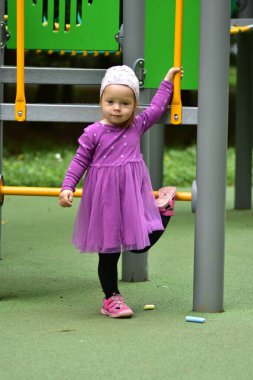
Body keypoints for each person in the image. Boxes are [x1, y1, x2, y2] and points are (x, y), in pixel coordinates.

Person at [59, 65, 181, 318]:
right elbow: (79, 161)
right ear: (101, 101)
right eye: (110, 101)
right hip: (104, 201)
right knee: (109, 251)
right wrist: (68, 186)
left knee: (140, 246)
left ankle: (164, 211)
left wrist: (167, 81)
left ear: (134, 105)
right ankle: (111, 298)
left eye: (125, 103)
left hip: (131, 197)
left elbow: (157, 108)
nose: (117, 108)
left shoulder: (136, 126)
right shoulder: (93, 132)